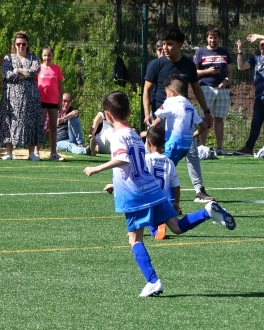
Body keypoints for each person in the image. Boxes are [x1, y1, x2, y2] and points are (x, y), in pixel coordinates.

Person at [84, 91, 236, 298]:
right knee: (176, 227)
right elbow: (135, 164)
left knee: (134, 240)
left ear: (108, 117)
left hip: (135, 195)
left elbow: (124, 160)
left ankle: (153, 281)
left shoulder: (119, 135)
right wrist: (115, 184)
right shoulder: (135, 134)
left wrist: (97, 168)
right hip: (152, 189)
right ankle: (207, 212)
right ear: (128, 113)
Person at [143, 28, 215, 202]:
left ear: (180, 45)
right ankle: (148, 188)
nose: (165, 47)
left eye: (169, 44)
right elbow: (146, 90)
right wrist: (147, 114)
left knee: (191, 152)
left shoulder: (188, 65)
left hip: (181, 118)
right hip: (160, 117)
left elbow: (196, 89)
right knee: (153, 153)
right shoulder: (157, 64)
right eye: (164, 44)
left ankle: (199, 190)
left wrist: (205, 111)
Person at [148, 75, 210, 211]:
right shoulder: (189, 105)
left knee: (166, 171)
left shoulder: (171, 102)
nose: (166, 96)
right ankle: (173, 204)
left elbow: (158, 119)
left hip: (173, 144)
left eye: (166, 93)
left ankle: (171, 205)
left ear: (172, 92)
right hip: (186, 144)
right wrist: (192, 135)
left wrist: (149, 132)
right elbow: (204, 126)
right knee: (171, 169)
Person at [0, 31, 43, 161]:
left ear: (27, 44)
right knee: (10, 122)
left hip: (30, 98)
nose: (21, 46)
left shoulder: (33, 58)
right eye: (18, 44)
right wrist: (23, 74)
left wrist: (18, 70)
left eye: (23, 44)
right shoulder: (8, 58)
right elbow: (8, 74)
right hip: (11, 98)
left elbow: (35, 71)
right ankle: (9, 152)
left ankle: (31, 152)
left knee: (31, 121)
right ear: (14, 45)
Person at [234, 33, 264, 156]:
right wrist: (239, 51)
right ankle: (248, 148)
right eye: (261, 45)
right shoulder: (255, 59)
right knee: (256, 123)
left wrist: (258, 36)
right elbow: (240, 67)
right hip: (259, 96)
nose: (263, 47)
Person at [193, 28, 232, 155]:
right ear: (207, 38)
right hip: (205, 88)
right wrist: (207, 72)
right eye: (210, 37)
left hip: (222, 90)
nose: (212, 40)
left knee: (219, 119)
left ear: (219, 39)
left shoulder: (224, 52)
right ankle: (202, 147)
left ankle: (220, 148)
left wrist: (226, 80)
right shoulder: (200, 52)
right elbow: (194, 72)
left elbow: (230, 71)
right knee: (204, 118)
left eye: (215, 38)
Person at [145, 126, 181, 240]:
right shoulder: (169, 162)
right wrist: (176, 203)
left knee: (137, 209)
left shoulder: (145, 159)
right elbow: (176, 186)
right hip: (163, 202)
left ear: (149, 143)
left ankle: (156, 228)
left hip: (148, 202)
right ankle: (159, 223)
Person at [38, 45, 65, 161]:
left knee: (53, 127)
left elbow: (60, 85)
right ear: (41, 56)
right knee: (41, 127)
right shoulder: (38, 68)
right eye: (44, 55)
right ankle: (36, 151)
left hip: (54, 101)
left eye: (49, 55)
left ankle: (53, 153)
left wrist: (60, 100)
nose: (47, 58)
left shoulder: (57, 69)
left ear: (52, 56)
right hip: (41, 101)